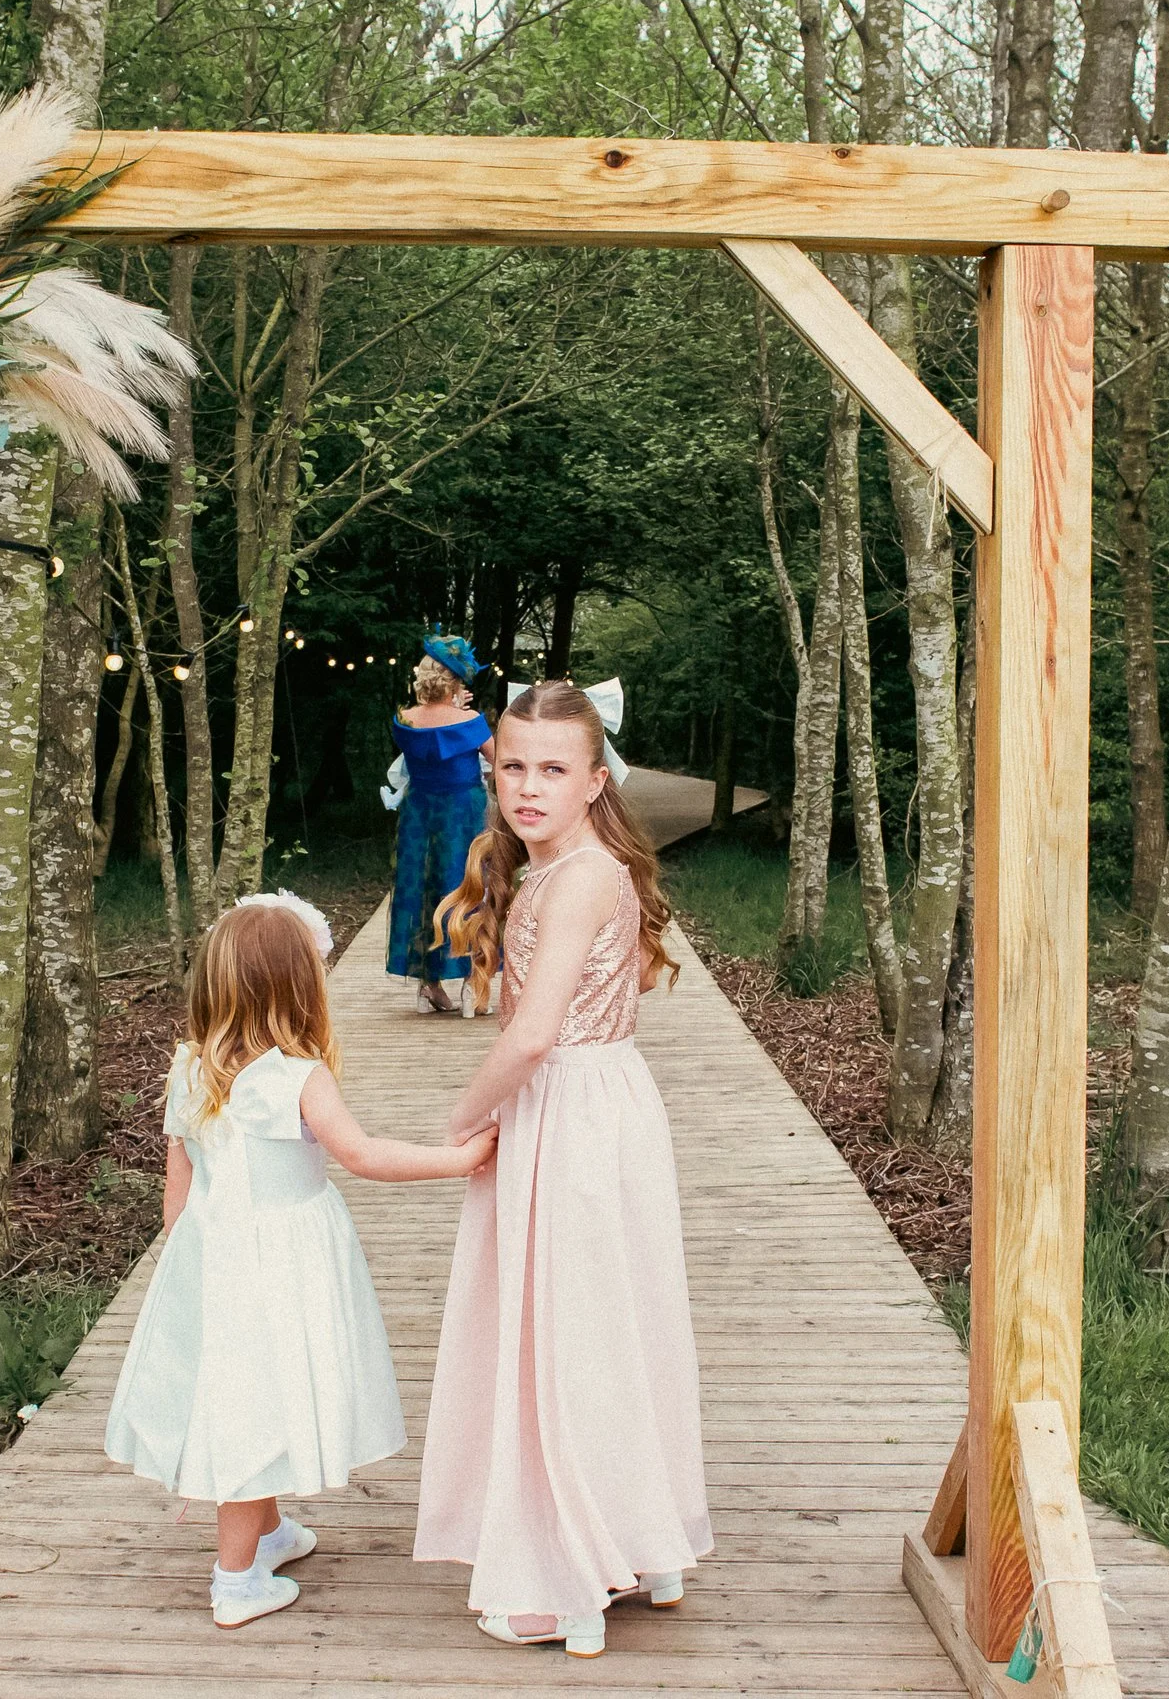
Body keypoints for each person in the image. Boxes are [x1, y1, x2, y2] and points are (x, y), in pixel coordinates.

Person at [412, 679, 712, 1659]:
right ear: (490, 765)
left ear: (594, 780)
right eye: (513, 766)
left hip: (570, 1111)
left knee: (561, 1335)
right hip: (598, 1102)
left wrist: (463, 1119)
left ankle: (566, 1579)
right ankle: (640, 1538)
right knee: (603, 1324)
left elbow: (534, 1032)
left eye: (553, 769)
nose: (527, 787)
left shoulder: (578, 876)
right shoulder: (567, 868)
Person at [104, 892, 499, 1629]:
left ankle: (272, 1533)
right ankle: (236, 1582)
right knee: (255, 1415)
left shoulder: (190, 1068)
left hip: (213, 1263)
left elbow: (176, 1191)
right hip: (280, 1267)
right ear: (301, 987)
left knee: (253, 1394)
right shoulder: (297, 1077)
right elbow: (363, 1155)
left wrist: (190, 1276)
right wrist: (461, 1158)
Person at [384, 635, 494, 1015]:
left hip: (419, 815)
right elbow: (501, 761)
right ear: (455, 684)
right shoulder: (472, 722)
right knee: (470, 888)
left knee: (424, 889)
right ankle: (470, 986)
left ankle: (428, 987)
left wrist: (449, 706)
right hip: (464, 814)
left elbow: (430, 731)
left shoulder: (403, 721)